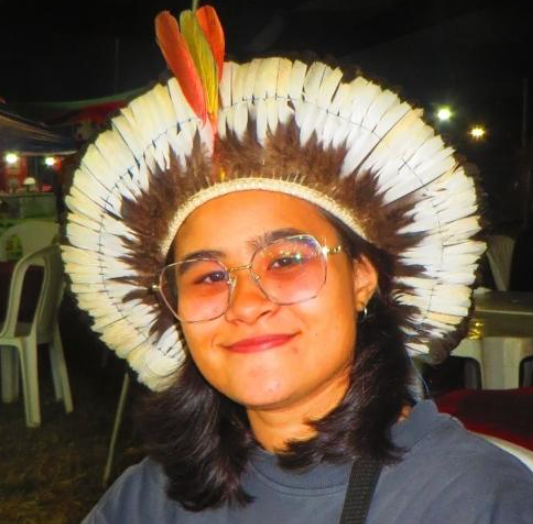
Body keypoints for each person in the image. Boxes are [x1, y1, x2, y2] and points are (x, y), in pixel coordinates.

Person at [62, 5, 533, 524]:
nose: (245, 305)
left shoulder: (473, 500)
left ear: (363, 277)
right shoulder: (150, 497)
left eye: (286, 260)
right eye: (210, 276)